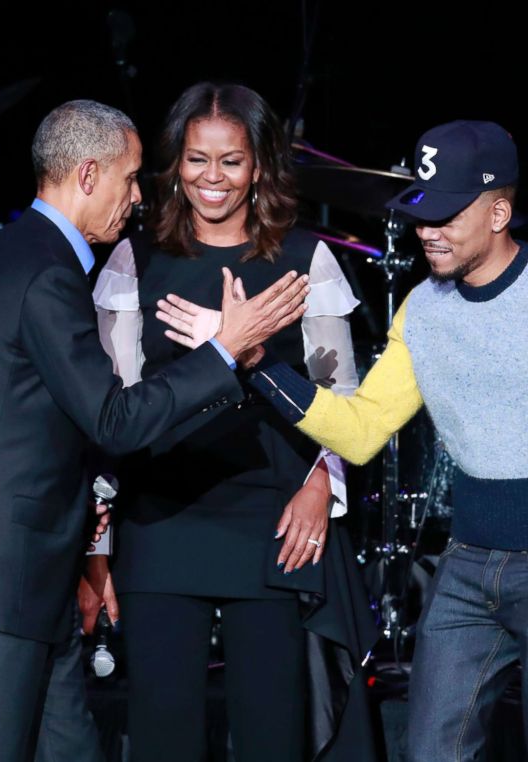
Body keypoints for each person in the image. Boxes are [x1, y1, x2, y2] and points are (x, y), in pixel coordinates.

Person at [161, 120, 528, 761]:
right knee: (432, 752)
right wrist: (253, 362)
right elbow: (358, 432)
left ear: (499, 211)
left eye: (446, 215)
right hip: (467, 562)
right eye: (421, 214)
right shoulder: (423, 308)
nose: (426, 231)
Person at [0, 99, 310, 762]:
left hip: (30, 573)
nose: (137, 198)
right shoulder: (47, 276)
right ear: (88, 176)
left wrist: (42, 516)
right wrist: (224, 350)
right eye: (130, 179)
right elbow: (114, 421)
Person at [90, 82, 377, 762]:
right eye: (196, 160)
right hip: (162, 519)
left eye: (231, 161)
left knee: (272, 732)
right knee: (163, 734)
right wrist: (96, 542)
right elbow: (110, 408)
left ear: (259, 166)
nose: (211, 178)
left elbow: (344, 399)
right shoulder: (137, 259)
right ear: (173, 164)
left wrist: (319, 485)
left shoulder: (308, 260)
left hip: (273, 521)